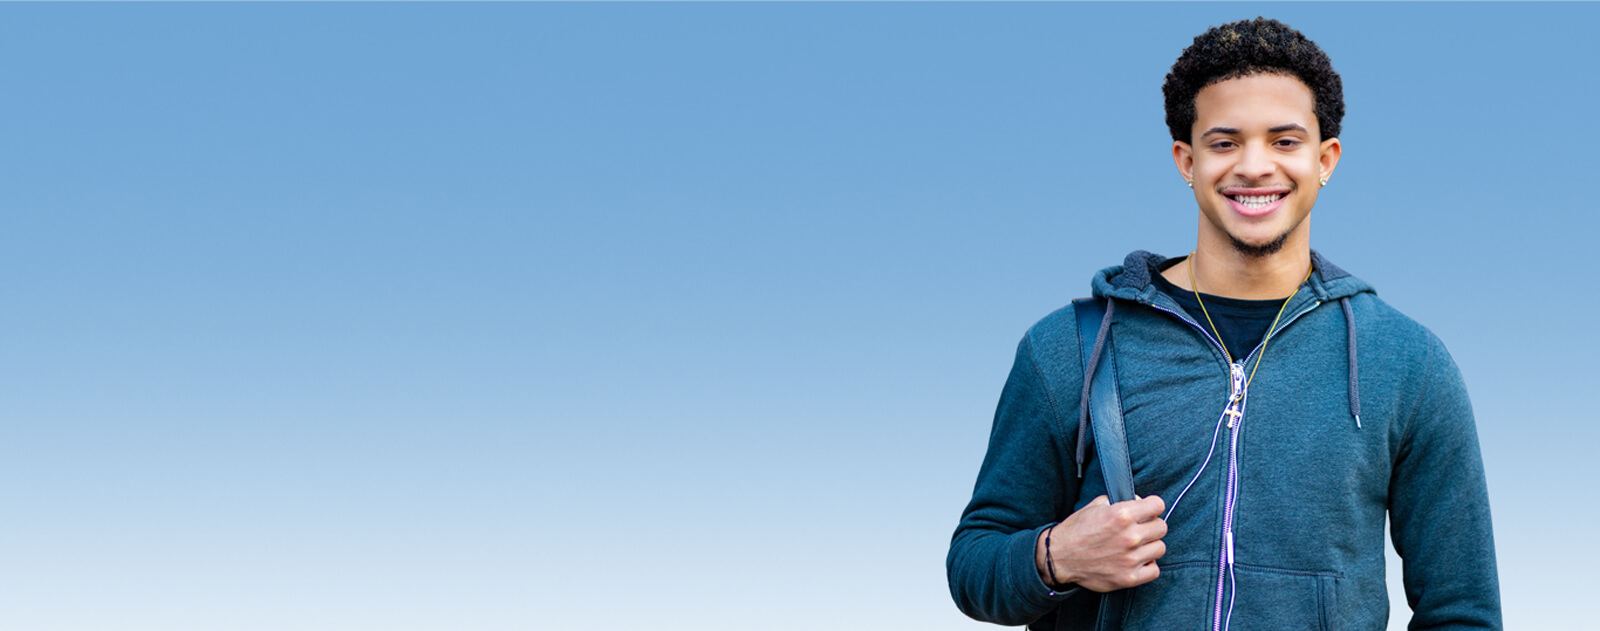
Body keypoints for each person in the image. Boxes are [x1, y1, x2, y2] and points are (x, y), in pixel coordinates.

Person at [946, 17, 1500, 631]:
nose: (1255, 167)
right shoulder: (1067, 348)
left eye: (1285, 141)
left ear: (1326, 159)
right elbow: (974, 565)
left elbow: (1462, 610)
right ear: (1187, 160)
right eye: (1224, 142)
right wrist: (1056, 557)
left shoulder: (1408, 362)